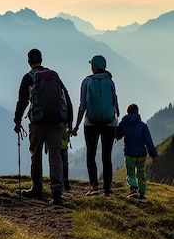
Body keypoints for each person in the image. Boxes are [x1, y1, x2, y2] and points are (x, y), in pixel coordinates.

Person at [14, 48, 73, 206]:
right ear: (41, 59)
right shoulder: (53, 75)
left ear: (29, 62)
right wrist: (69, 121)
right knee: (55, 156)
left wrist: (17, 121)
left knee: (36, 154)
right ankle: (57, 193)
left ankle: (37, 189)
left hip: (38, 122)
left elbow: (23, 101)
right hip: (57, 121)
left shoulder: (28, 77)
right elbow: (66, 97)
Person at [71, 55, 119, 197]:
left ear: (93, 67)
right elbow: (114, 100)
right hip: (109, 123)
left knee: (91, 155)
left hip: (90, 123)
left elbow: (82, 106)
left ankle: (94, 187)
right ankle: (107, 190)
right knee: (107, 156)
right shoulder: (110, 81)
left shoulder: (86, 81)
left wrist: (76, 126)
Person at [116, 103, 157, 200]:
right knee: (141, 174)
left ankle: (133, 189)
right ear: (137, 112)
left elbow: (117, 136)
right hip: (141, 154)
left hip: (129, 153)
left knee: (130, 173)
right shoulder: (143, 126)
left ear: (128, 112)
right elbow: (148, 141)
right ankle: (142, 194)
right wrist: (153, 155)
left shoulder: (124, 124)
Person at [61, 125, 71, 191]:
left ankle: (60, 181)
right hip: (65, 147)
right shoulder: (66, 126)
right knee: (65, 164)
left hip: (57, 147)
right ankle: (65, 180)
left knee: (57, 164)